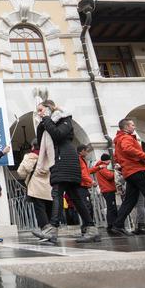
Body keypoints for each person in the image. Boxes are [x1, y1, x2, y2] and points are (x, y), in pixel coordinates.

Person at [33, 100, 100, 243]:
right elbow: (41, 142)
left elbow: (58, 135)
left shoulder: (65, 118)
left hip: (65, 158)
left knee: (57, 193)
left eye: (41, 110)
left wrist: (46, 119)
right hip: (57, 159)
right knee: (75, 196)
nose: (39, 113)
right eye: (37, 111)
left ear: (49, 108)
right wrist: (42, 123)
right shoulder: (46, 123)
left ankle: (53, 228)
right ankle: (91, 228)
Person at [17, 139, 53, 238]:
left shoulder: (29, 157)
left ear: (33, 146)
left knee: (39, 208)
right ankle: (52, 231)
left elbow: (21, 172)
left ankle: (45, 230)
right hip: (49, 185)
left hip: (35, 185)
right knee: (49, 207)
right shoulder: (49, 156)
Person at [89, 153, 117, 233]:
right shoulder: (102, 167)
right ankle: (111, 225)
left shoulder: (100, 166)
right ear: (107, 160)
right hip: (108, 189)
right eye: (109, 160)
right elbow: (109, 176)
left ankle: (112, 224)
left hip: (106, 189)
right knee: (111, 208)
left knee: (111, 207)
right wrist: (115, 172)